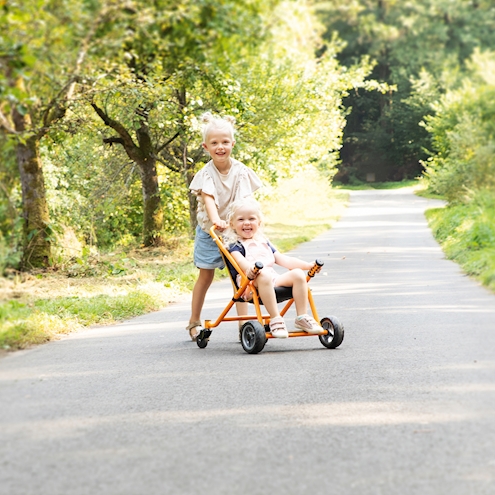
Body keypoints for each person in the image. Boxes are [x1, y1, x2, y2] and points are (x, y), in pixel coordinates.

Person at [186, 112, 262, 341]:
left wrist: (243, 222)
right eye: (215, 143)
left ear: (232, 144)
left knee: (242, 275)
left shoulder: (240, 171)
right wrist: (217, 221)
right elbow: (209, 199)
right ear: (206, 147)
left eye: (225, 142)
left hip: (235, 231)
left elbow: (243, 201)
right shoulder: (206, 173)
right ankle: (194, 321)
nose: (220, 147)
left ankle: (244, 325)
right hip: (211, 231)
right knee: (205, 276)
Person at [225, 197, 322, 338]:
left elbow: (285, 260)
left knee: (298, 274)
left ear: (259, 222)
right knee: (263, 274)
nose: (247, 223)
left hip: (271, 279)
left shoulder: (263, 242)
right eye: (241, 220)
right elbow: (240, 262)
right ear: (232, 224)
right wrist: (250, 269)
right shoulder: (235, 245)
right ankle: (275, 318)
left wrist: (307, 266)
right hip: (250, 284)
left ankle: (302, 317)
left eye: (251, 219)